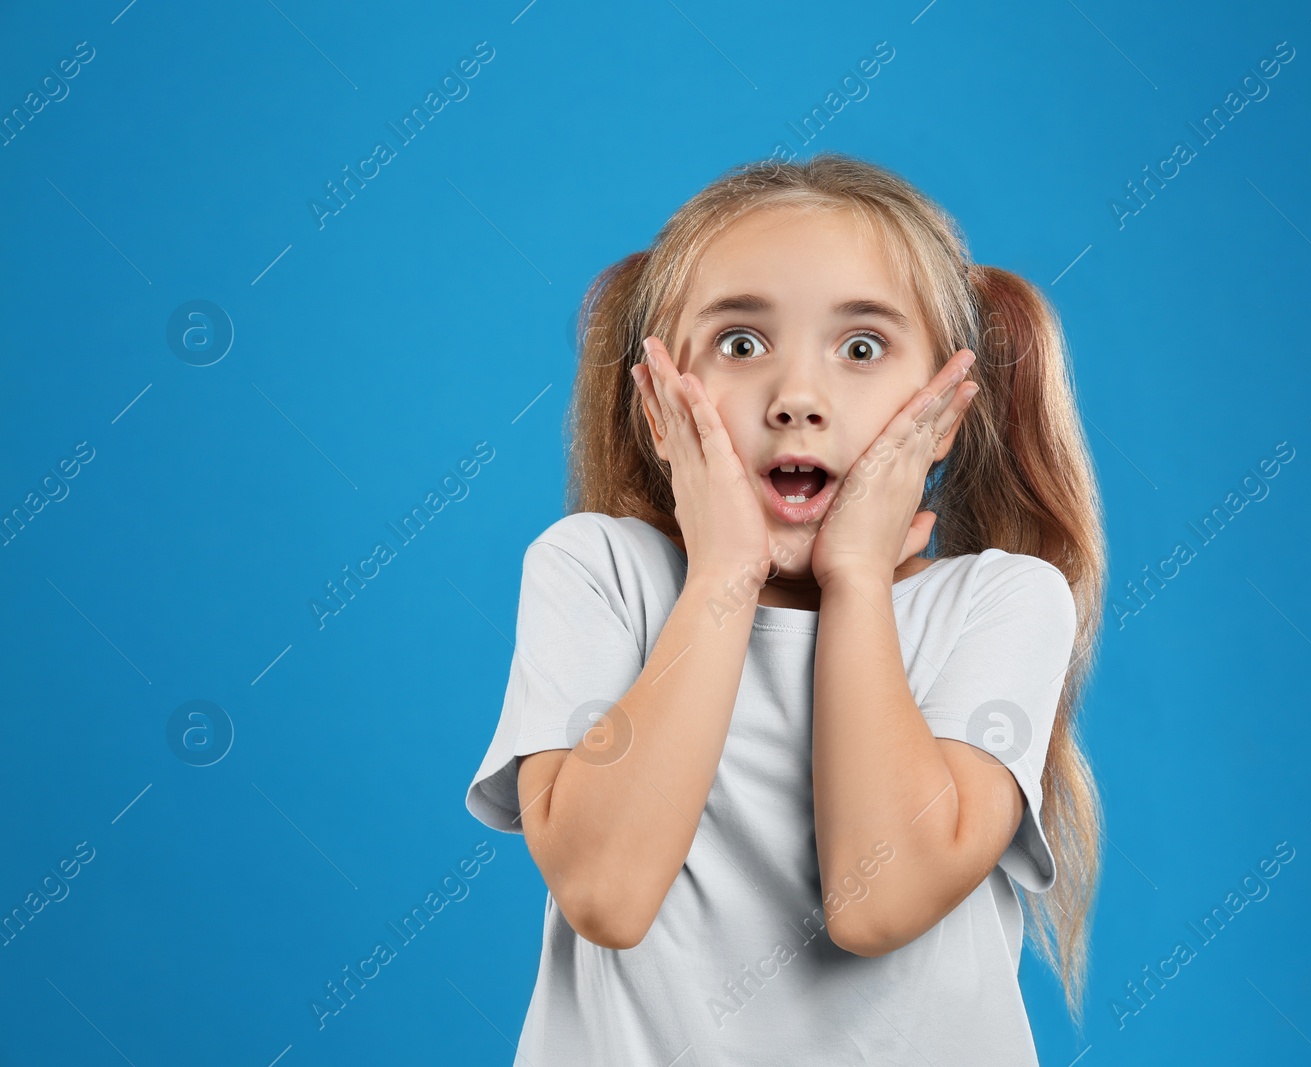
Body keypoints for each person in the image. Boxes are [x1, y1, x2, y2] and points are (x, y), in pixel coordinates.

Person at [464, 151, 1107, 1065]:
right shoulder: (599, 572)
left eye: (860, 348)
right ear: (657, 407)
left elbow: (877, 901)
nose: (796, 400)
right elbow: (607, 890)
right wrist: (726, 575)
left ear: (946, 414)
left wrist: (855, 583)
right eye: (740, 343)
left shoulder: (1000, 602)